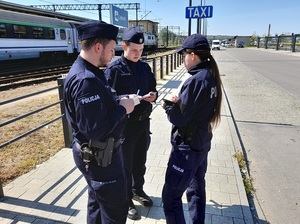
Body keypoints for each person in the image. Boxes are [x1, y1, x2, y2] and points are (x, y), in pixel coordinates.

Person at [63, 20, 135, 224]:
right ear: (98, 47)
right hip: (101, 158)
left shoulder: (89, 71)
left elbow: (95, 113)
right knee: (115, 211)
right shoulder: (87, 80)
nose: (113, 55)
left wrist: (116, 101)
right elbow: (95, 129)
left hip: (96, 155)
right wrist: (123, 109)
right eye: (112, 50)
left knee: (97, 204)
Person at [161, 34, 223, 224]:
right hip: (200, 144)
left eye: (184, 54)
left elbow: (179, 118)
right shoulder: (210, 76)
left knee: (170, 198)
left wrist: (169, 106)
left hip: (186, 149)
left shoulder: (196, 80)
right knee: (196, 190)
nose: (183, 59)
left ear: (193, 55)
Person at [105, 27, 157, 220]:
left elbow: (153, 87)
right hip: (125, 126)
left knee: (139, 162)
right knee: (124, 166)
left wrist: (154, 95)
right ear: (124, 46)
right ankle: (126, 200)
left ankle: (138, 190)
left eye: (141, 50)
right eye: (134, 50)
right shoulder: (114, 70)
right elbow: (108, 100)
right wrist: (125, 99)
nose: (138, 54)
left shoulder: (144, 67)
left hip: (143, 124)